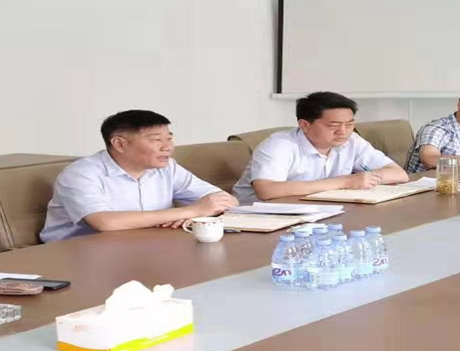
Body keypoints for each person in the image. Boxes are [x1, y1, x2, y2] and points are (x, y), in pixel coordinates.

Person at [40, 110, 237, 242]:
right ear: (120, 144)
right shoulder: (81, 174)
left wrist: (197, 214)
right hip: (76, 253)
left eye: (169, 139)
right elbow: (105, 222)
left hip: (145, 245)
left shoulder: (167, 167)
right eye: (156, 140)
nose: (167, 147)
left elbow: (228, 201)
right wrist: (192, 211)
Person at [233, 92, 407, 204]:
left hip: (317, 211)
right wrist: (346, 182)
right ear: (304, 125)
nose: (343, 131)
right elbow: (267, 190)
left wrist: (367, 179)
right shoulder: (279, 145)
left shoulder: (352, 141)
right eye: (333, 125)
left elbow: (399, 174)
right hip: (260, 218)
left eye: (349, 124)